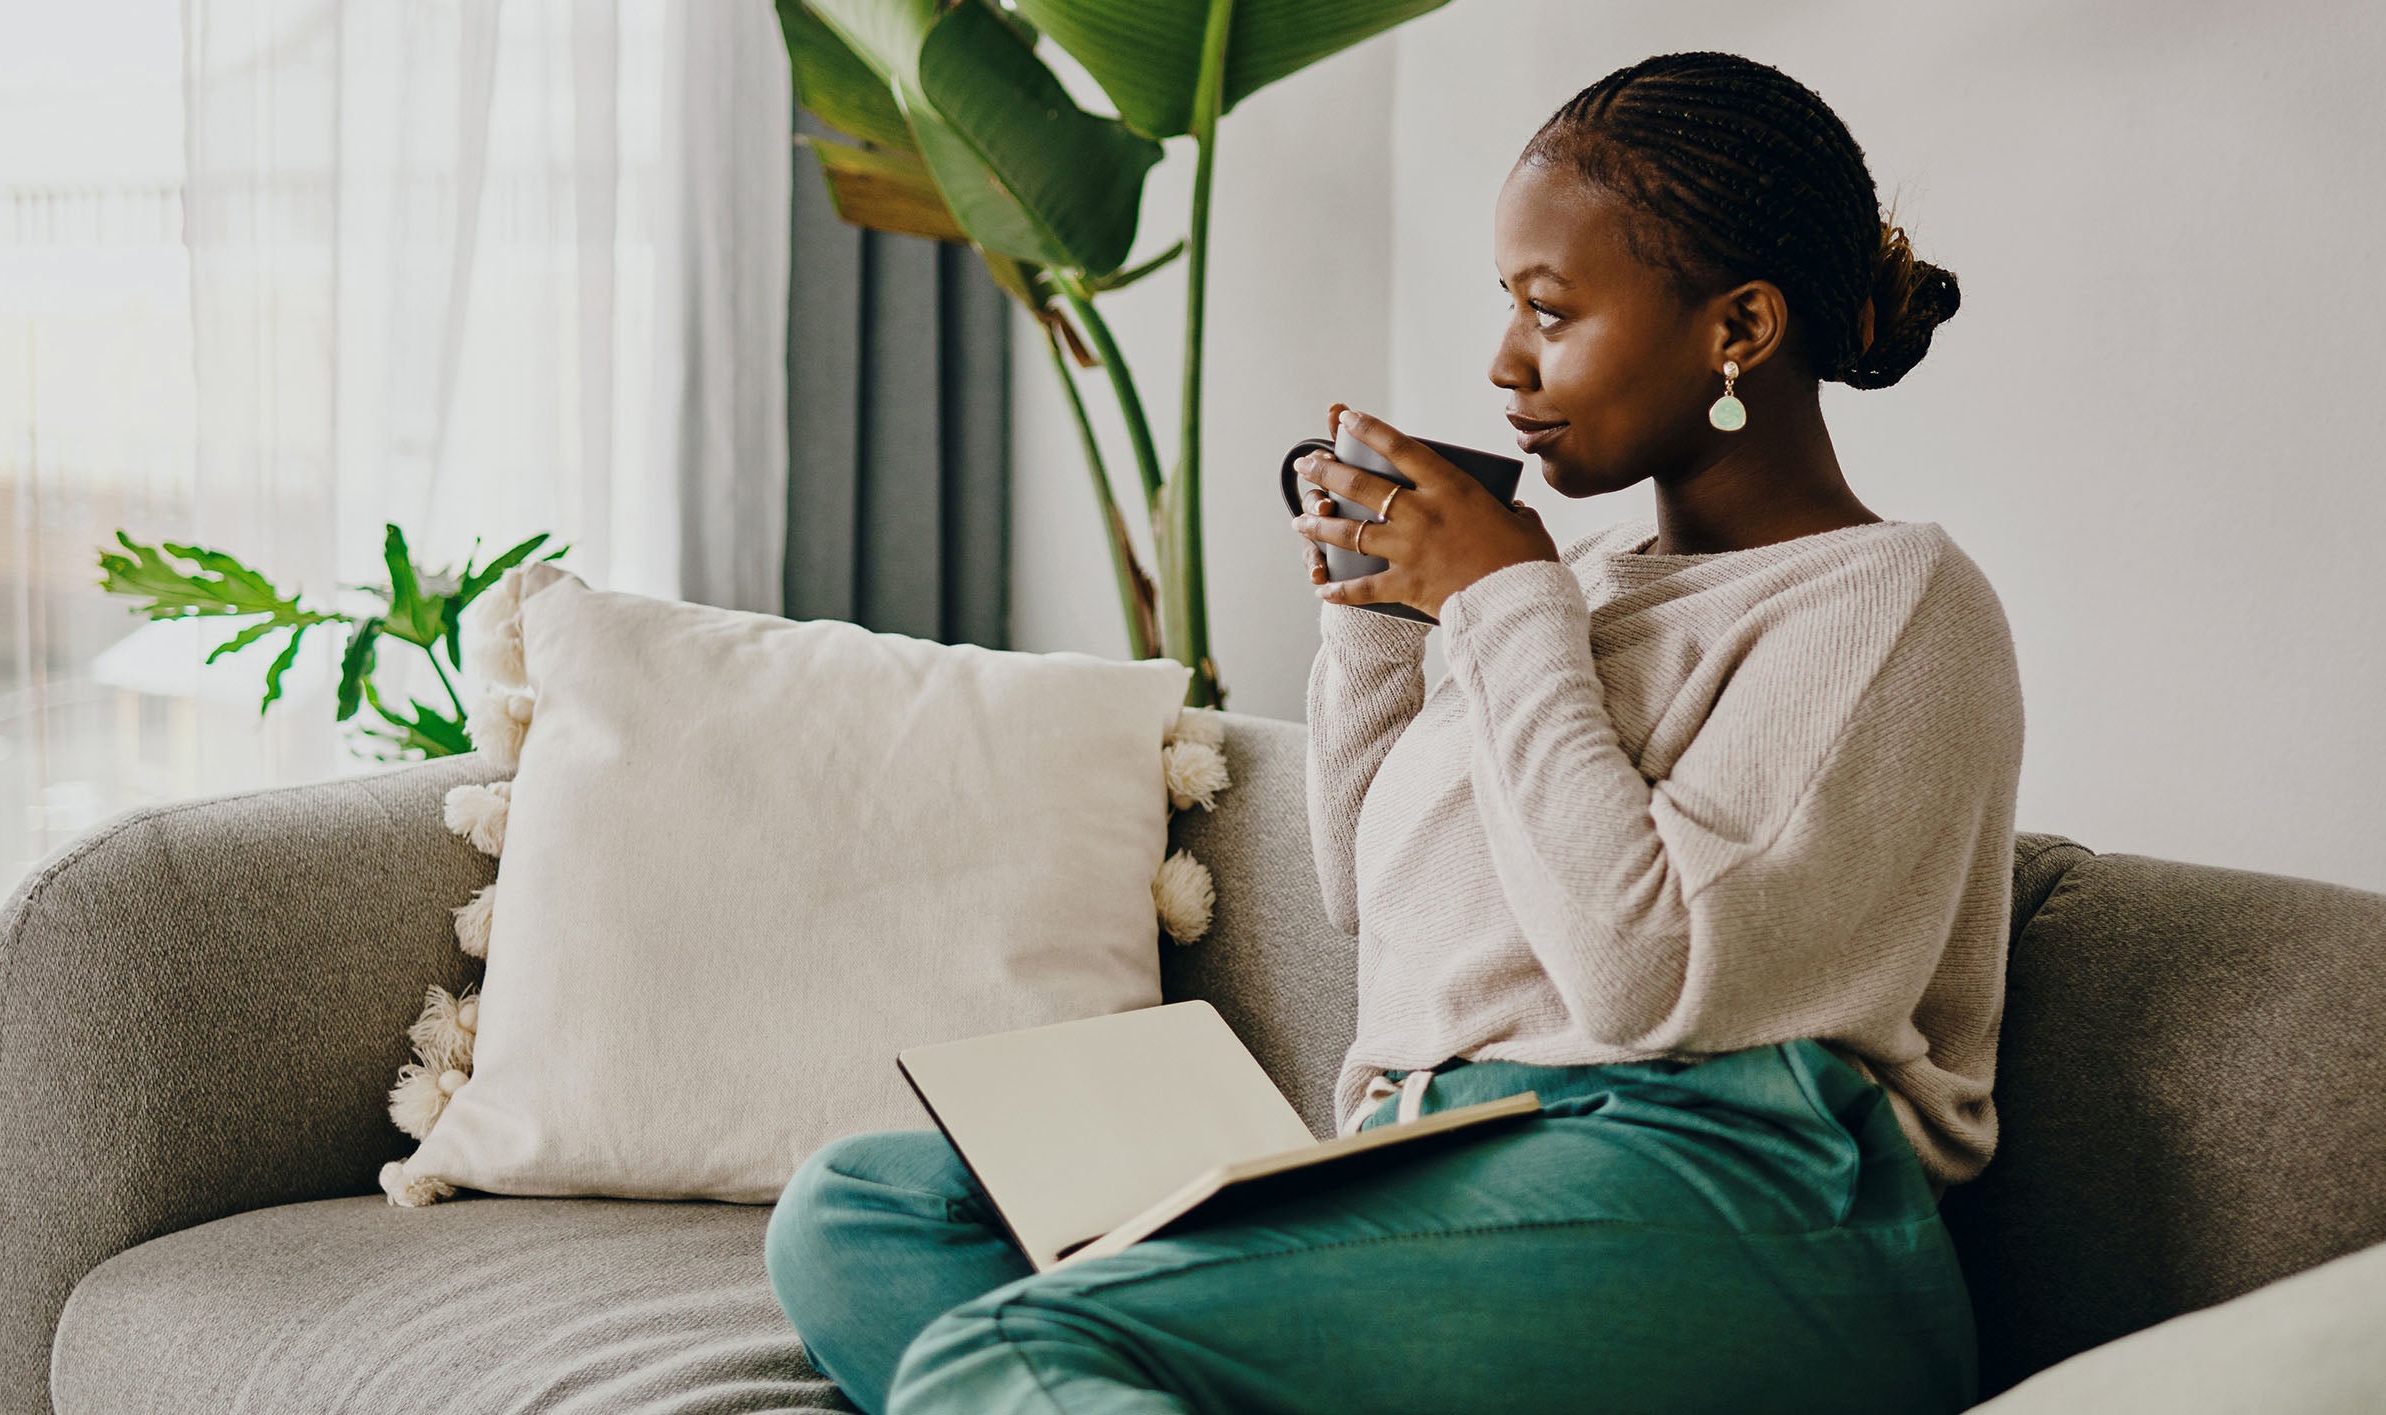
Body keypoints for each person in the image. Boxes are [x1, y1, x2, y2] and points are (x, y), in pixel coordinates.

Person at [763, 50, 2021, 1415]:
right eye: (1506, 306)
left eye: (1551, 311)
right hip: (1438, 1162)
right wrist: (1383, 624)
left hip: (1734, 1197)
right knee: (860, 1212)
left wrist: (1499, 599)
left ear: (1741, 329)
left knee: (997, 1354)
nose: (1504, 362)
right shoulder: (1574, 588)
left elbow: (1650, 983)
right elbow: (1375, 904)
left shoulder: (1890, 601)